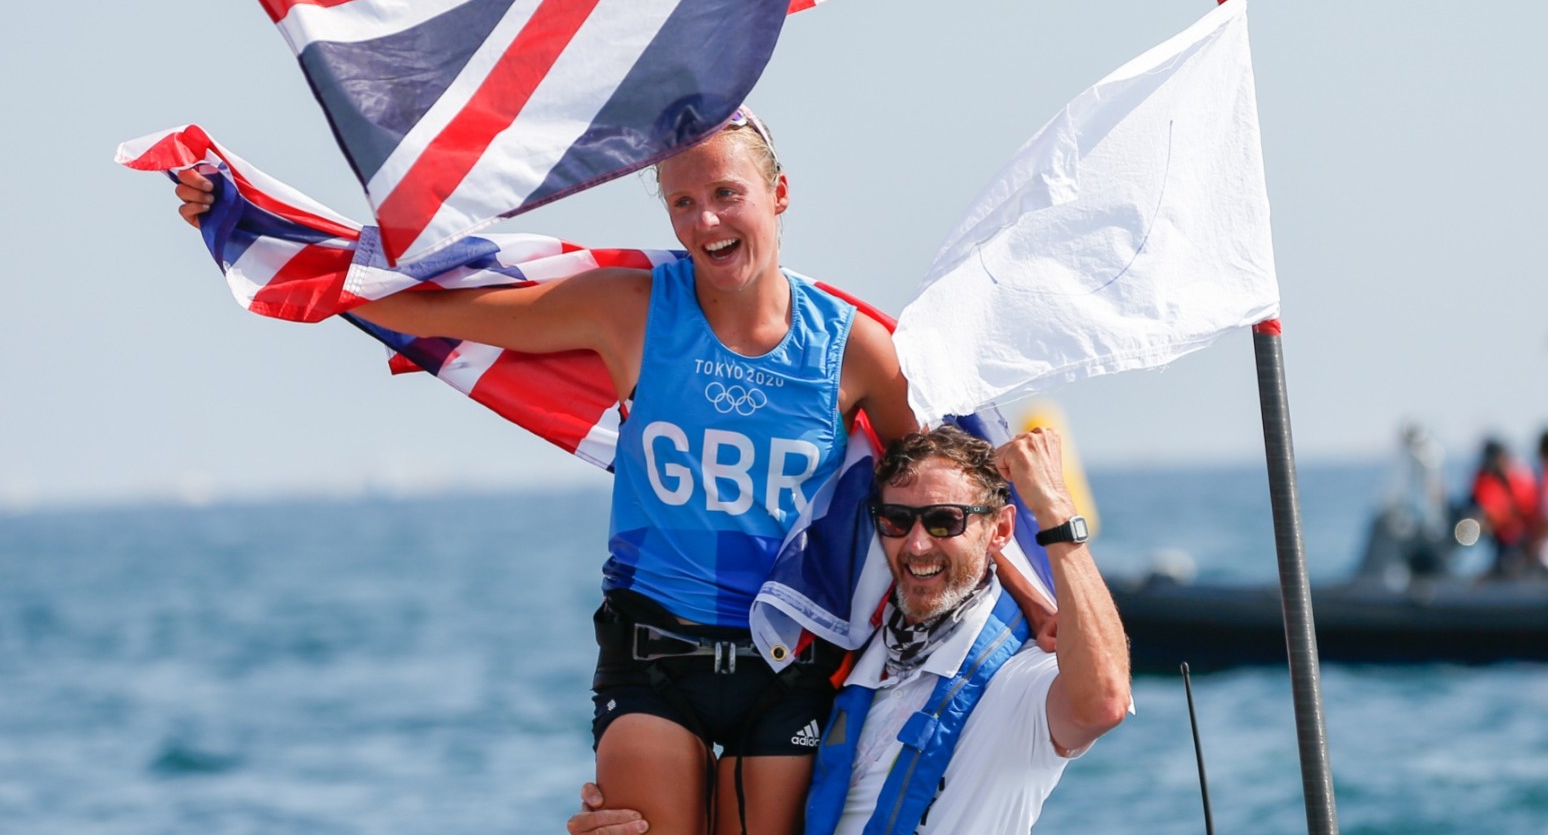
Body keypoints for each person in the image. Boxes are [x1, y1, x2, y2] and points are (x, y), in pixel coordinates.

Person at [175, 109, 920, 835]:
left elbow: (945, 491)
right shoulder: (628, 310)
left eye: (727, 194)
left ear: (778, 194)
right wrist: (257, 228)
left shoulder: (855, 350)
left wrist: (1033, 593)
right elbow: (445, 309)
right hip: (653, 654)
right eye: (682, 202)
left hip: (787, 667)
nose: (705, 221)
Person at [568, 425, 1130, 835]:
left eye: (944, 521)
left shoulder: (1019, 680)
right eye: (896, 521)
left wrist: (1056, 514)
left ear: (1001, 528)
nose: (916, 545)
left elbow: (1102, 701)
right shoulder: (849, 665)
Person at [1467, 438, 1543, 577]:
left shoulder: (1519, 477)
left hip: (1525, 537)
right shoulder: (1484, 480)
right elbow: (1486, 510)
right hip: (1500, 541)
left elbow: (1528, 507)